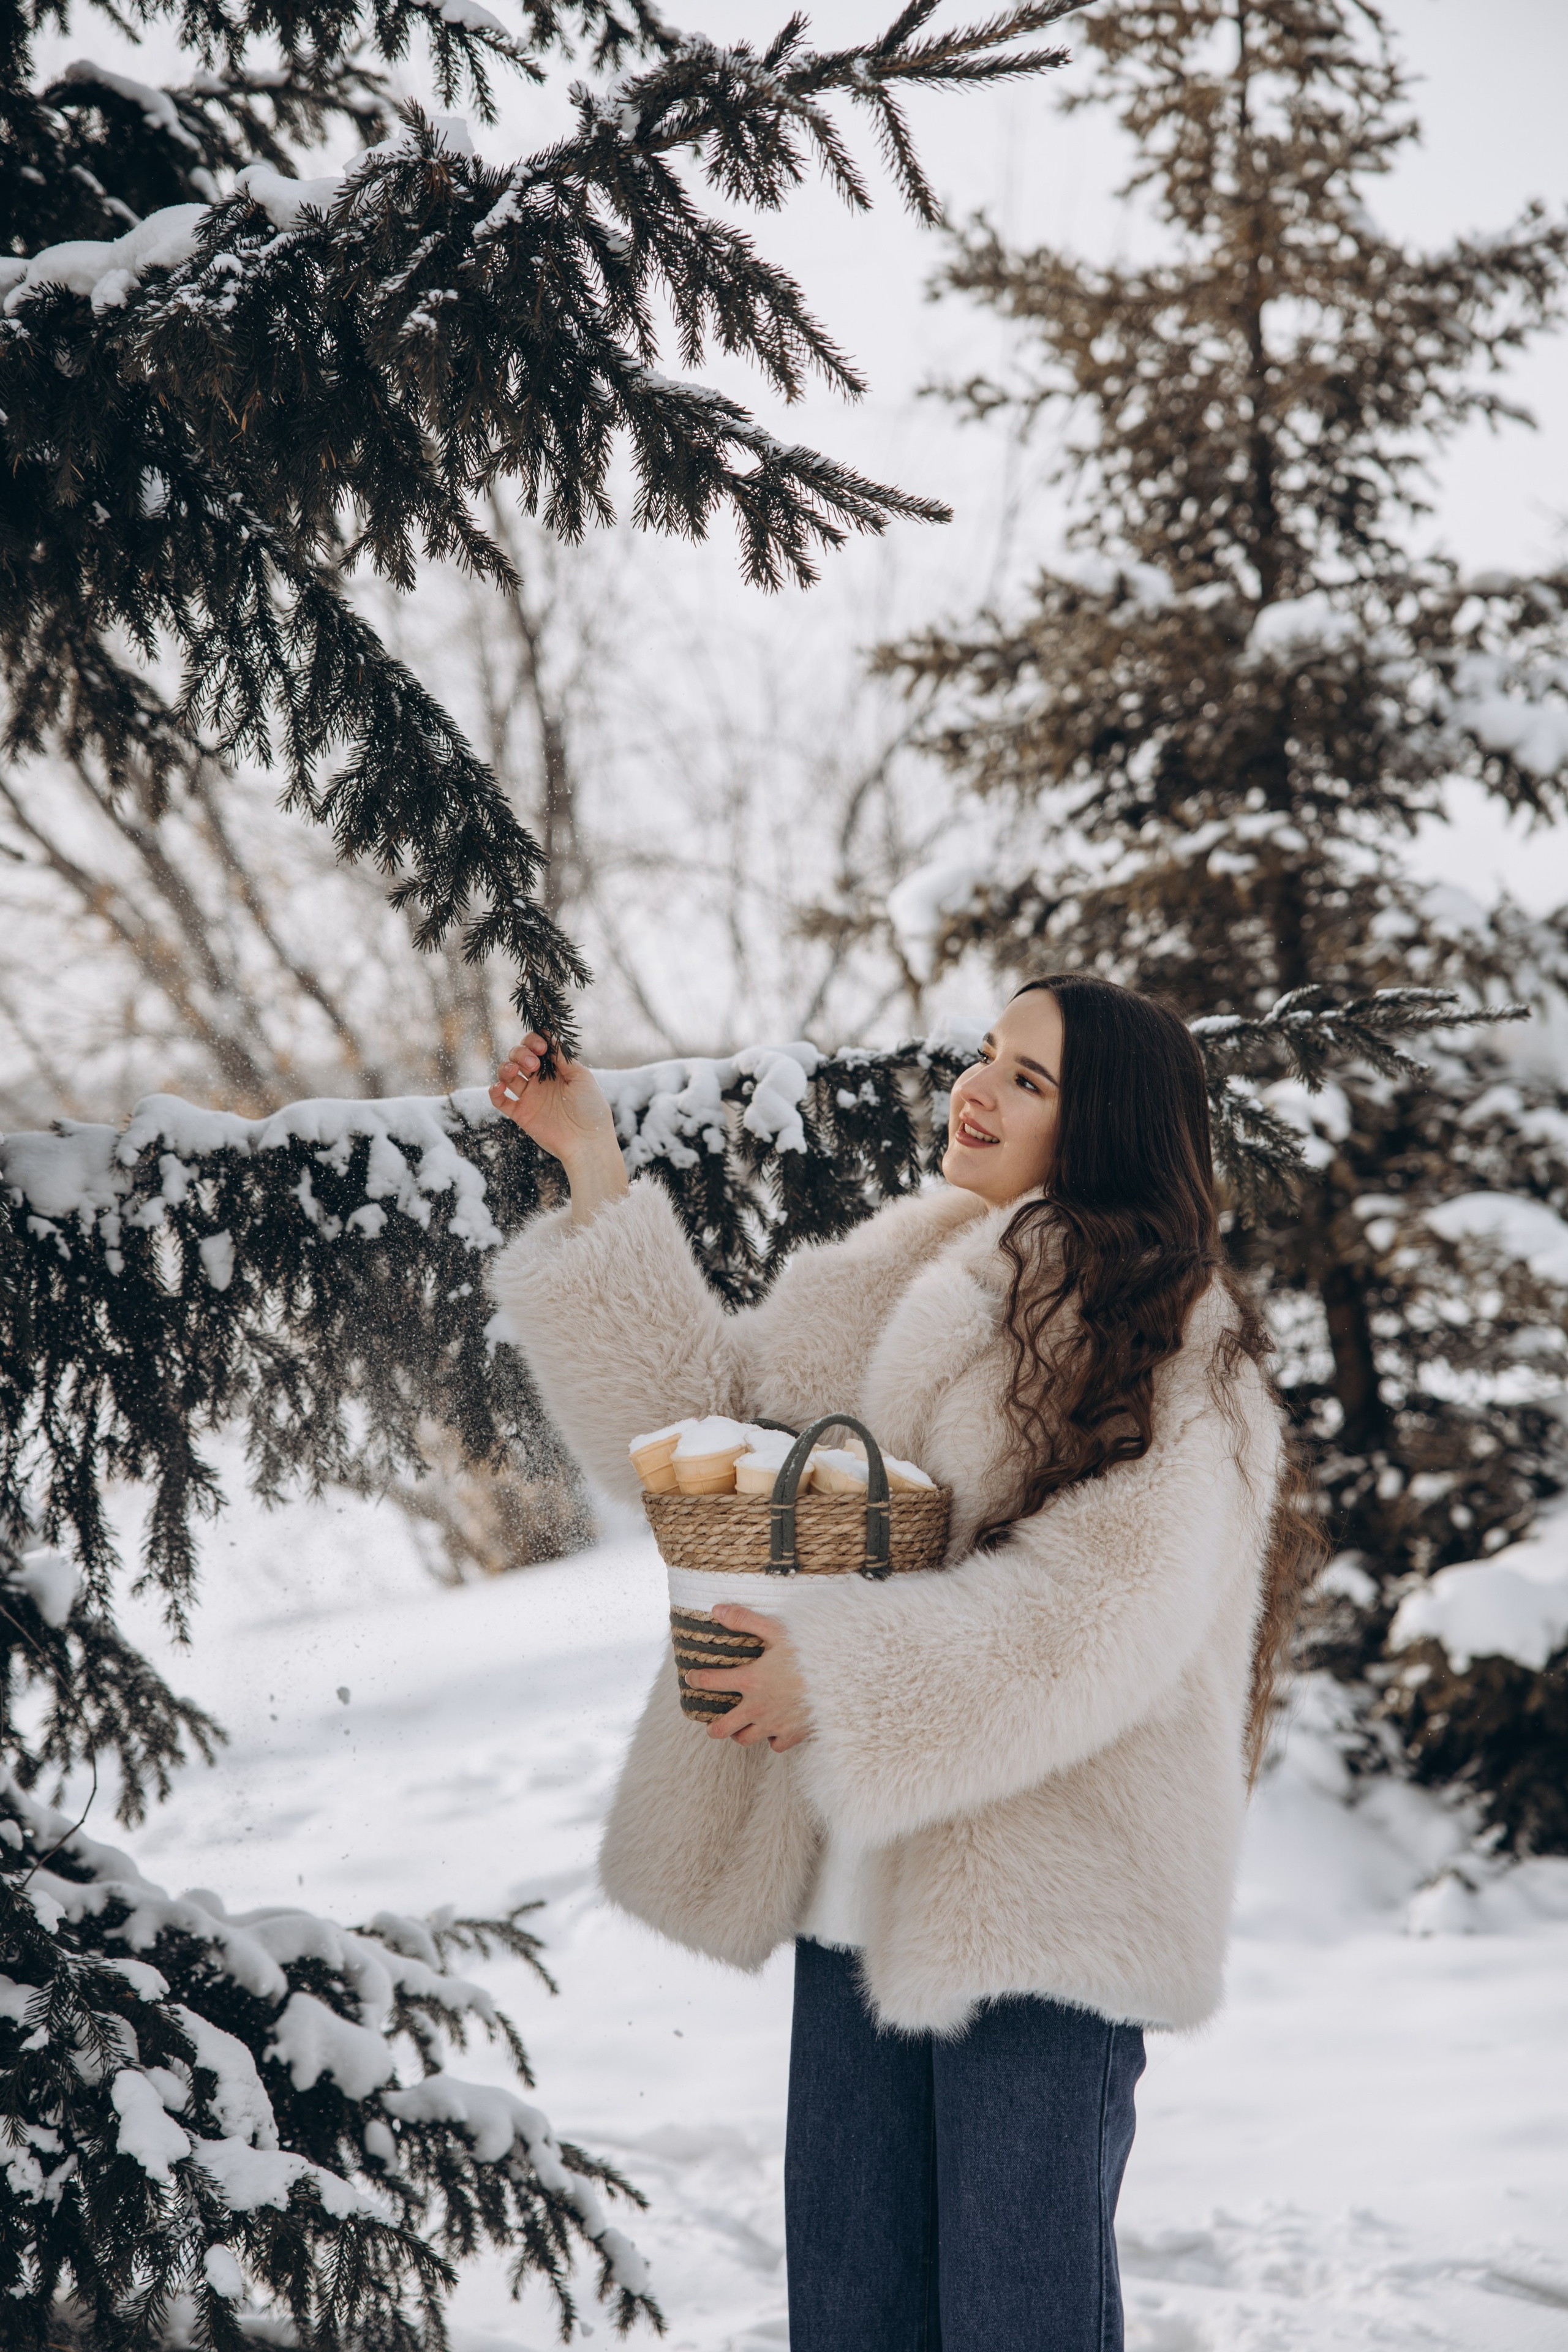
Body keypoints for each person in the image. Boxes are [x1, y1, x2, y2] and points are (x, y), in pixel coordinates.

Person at [486, 975, 1307, 2352]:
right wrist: (589, 1163)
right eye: (986, 1056)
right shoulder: (887, 1274)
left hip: (1046, 1909)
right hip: (855, 1895)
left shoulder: (1174, 1341)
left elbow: (1096, 1613)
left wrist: (840, 1675)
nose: (974, 1090)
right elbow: (715, 1438)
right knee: (853, 2317)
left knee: (1012, 2322)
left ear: (1102, 1124)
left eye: (1028, 1079)